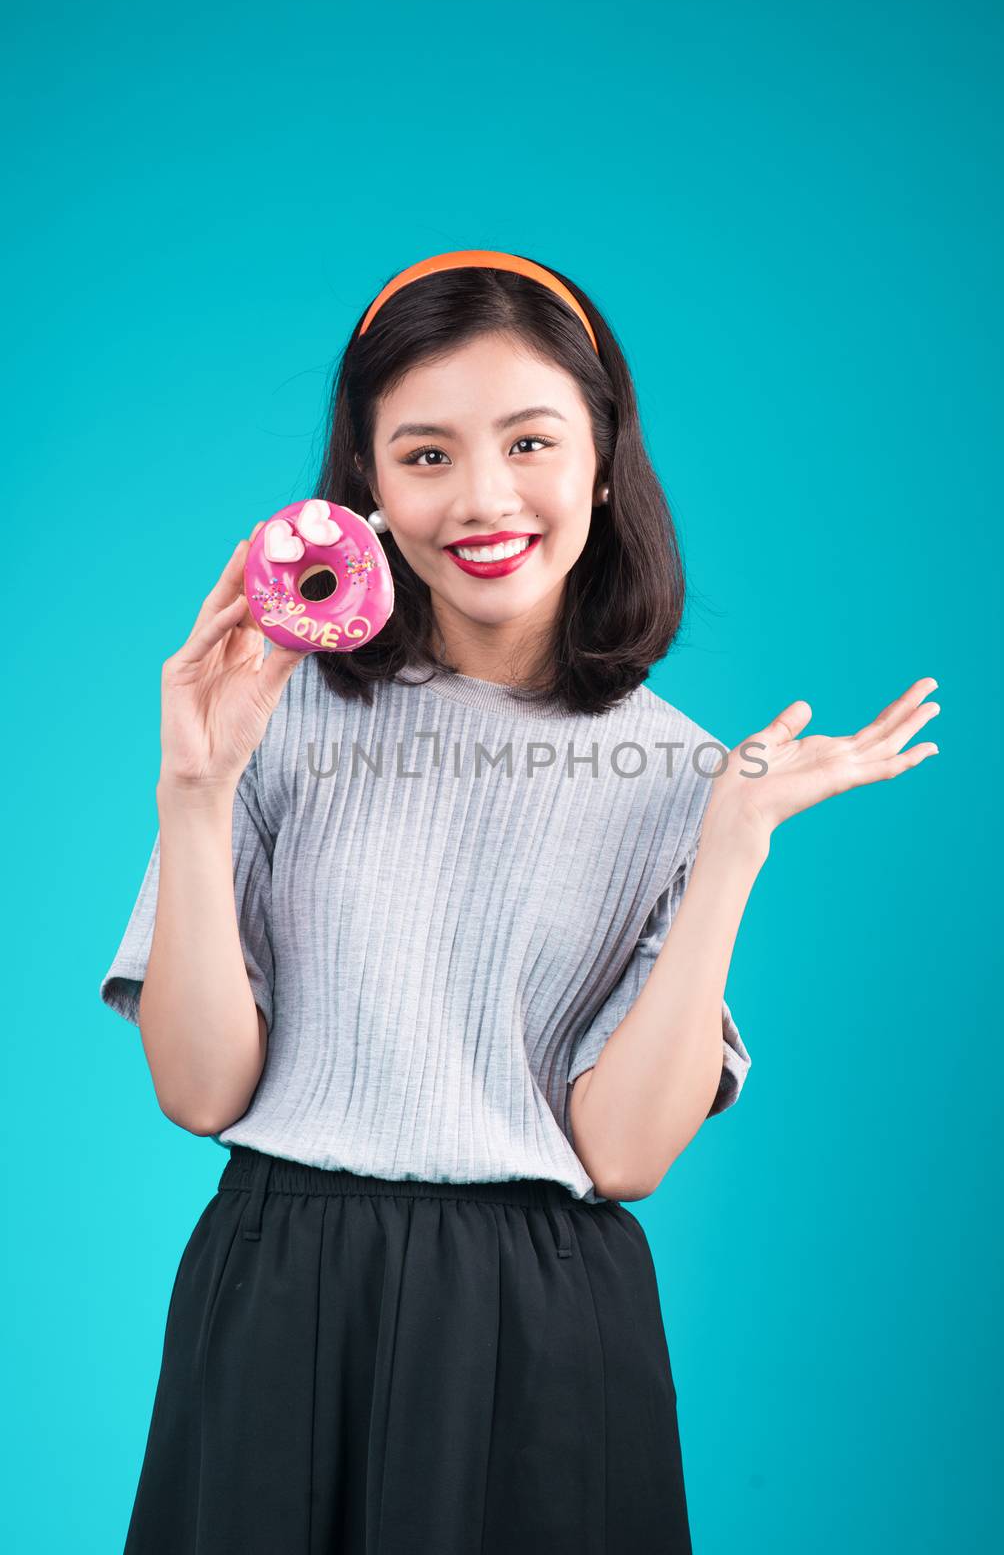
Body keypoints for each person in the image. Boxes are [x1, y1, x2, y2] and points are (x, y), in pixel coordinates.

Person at [99, 248, 940, 1554]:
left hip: (544, 1322)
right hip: (278, 1288)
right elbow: (202, 1093)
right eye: (425, 454)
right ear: (365, 487)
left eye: (530, 441)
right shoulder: (270, 714)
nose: (484, 498)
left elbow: (624, 1157)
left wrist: (728, 848)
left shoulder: (682, 770)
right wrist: (195, 791)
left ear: (602, 460)